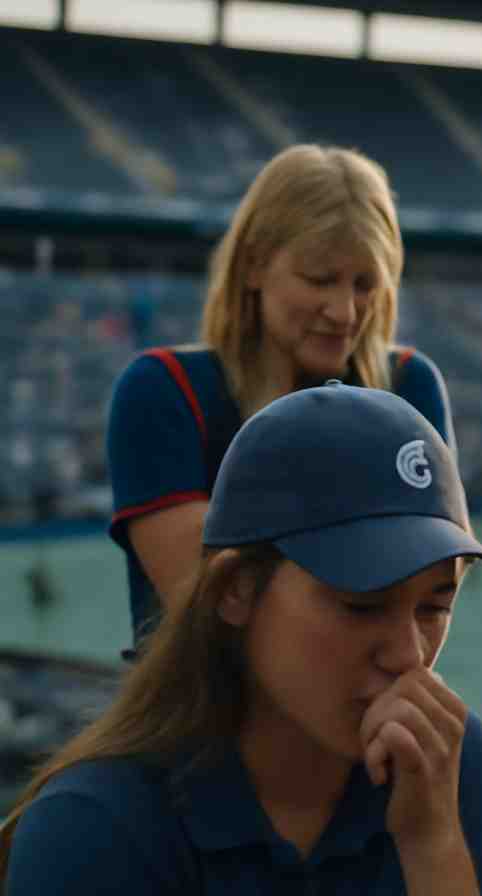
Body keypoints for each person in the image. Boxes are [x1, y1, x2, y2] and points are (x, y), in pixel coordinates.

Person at [0, 383, 482, 896]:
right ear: (235, 591)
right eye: (361, 604)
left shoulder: (452, 767)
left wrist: (433, 844)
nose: (410, 655)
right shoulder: (95, 829)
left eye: (434, 607)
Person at [107, 143, 454, 647]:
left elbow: (435, 588)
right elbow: (210, 601)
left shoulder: (410, 384)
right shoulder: (163, 390)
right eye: (319, 279)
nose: (345, 312)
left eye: (365, 284)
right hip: (202, 717)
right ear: (252, 266)